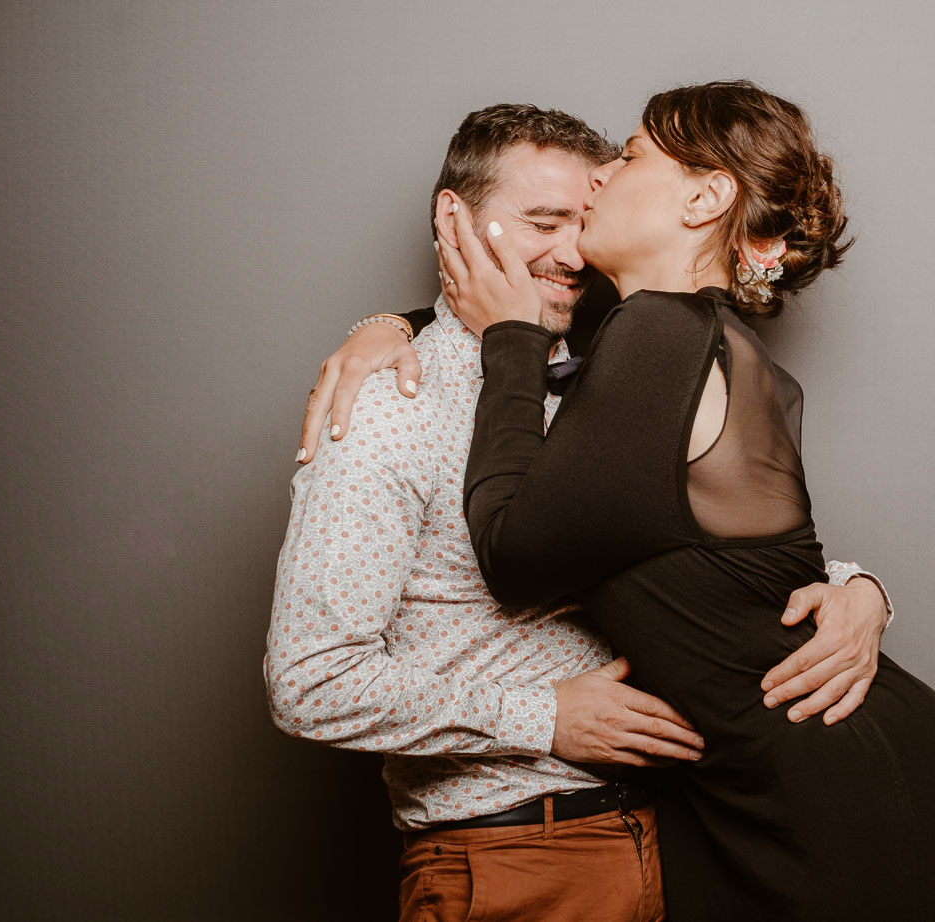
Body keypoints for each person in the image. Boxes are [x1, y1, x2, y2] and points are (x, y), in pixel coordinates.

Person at [266, 103, 896, 922]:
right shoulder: (391, 404)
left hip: (685, 845)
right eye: (541, 222)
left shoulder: (617, 374)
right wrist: (544, 718)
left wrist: (859, 591)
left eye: (584, 221)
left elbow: (710, 557)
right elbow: (310, 680)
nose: (570, 254)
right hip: (518, 858)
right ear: (452, 218)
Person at [438, 81, 935, 921]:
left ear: (705, 197)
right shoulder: (715, 350)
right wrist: (394, 324)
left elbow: (514, 556)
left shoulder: (658, 332)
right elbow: (734, 577)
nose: (598, 178)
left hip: (822, 805)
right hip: (848, 778)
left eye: (627, 157)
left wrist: (507, 340)